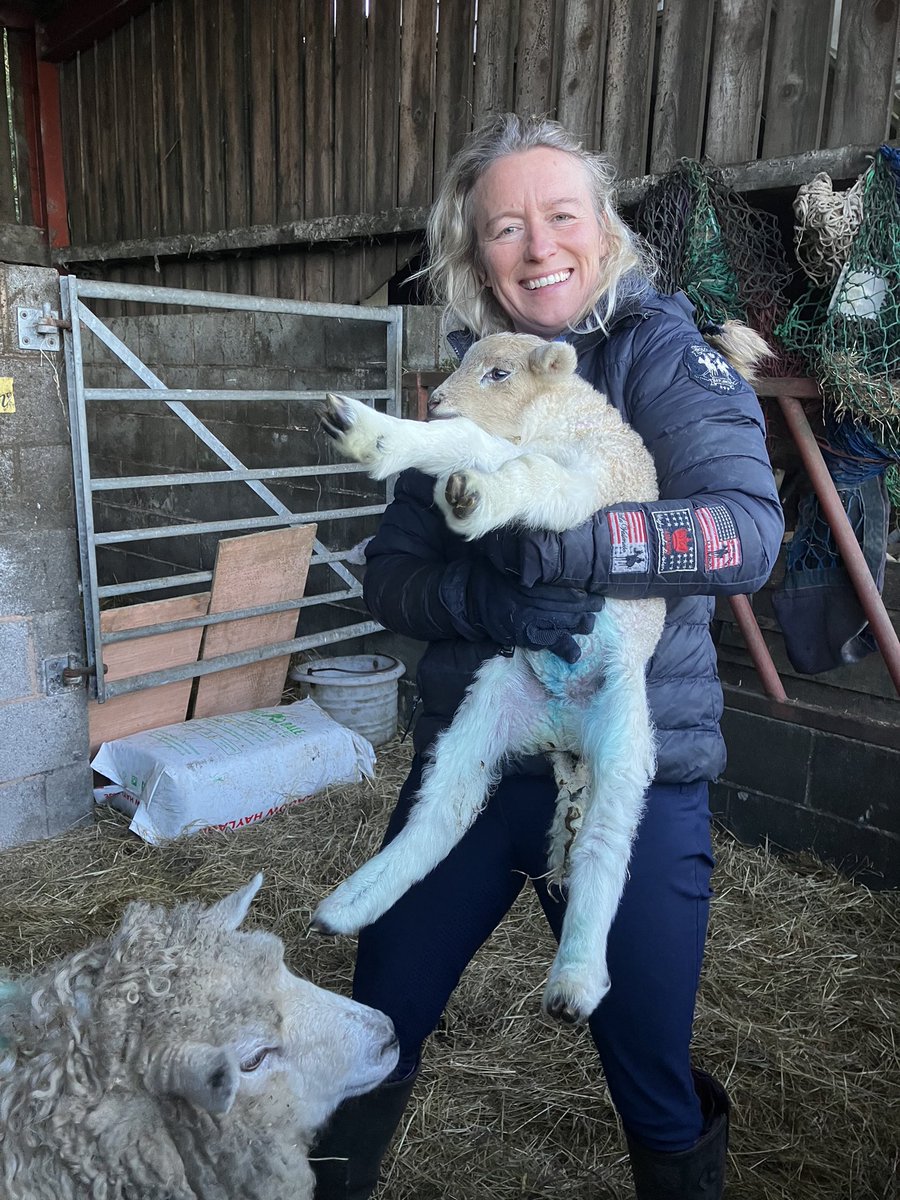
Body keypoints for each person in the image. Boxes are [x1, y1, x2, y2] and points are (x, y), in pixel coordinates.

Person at [311, 113, 784, 1200]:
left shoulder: (669, 356)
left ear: (602, 225)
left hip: (634, 758)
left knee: (646, 1058)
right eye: (505, 227)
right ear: (474, 255)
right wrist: (483, 598)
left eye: (561, 215)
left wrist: (585, 545)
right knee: (378, 1019)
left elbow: (747, 534)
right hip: (484, 749)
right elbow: (389, 578)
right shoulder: (478, 378)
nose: (538, 247)